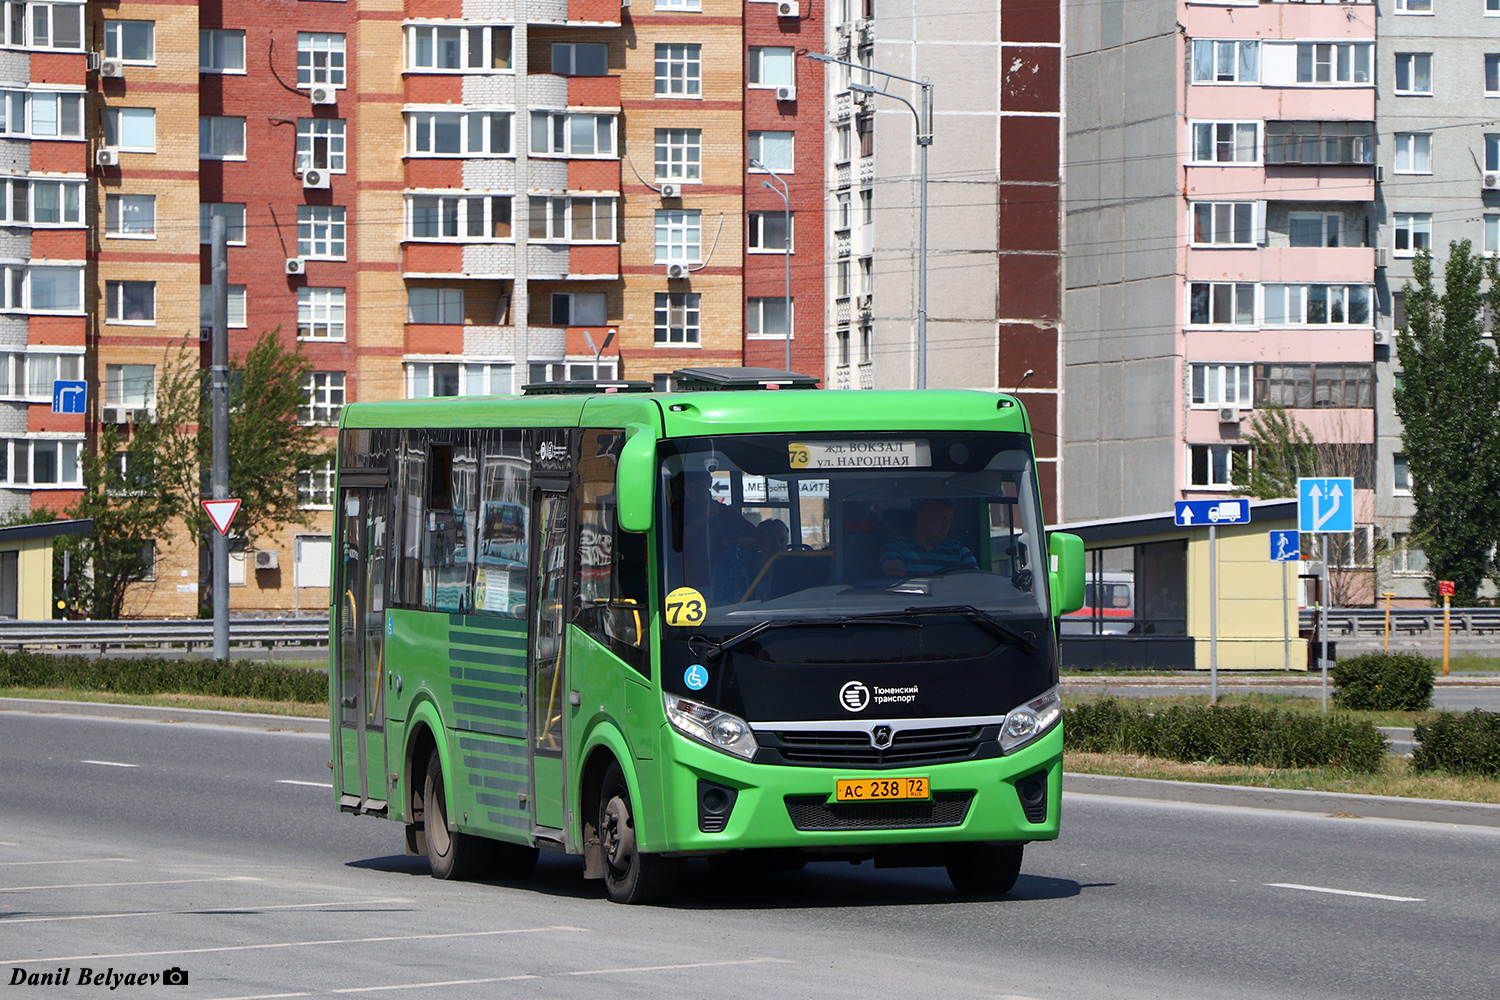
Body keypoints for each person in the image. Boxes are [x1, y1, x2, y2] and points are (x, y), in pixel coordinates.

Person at [673, 471, 757, 591]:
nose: (695, 492)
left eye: (700, 487)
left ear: (709, 483)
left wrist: (739, 543)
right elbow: (677, 541)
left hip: (725, 582)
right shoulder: (675, 513)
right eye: (690, 488)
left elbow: (760, 538)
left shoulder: (724, 513)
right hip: (685, 584)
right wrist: (704, 516)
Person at [880, 498, 978, 576]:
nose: (946, 527)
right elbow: (894, 575)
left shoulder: (960, 552)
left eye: (949, 521)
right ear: (921, 517)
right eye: (940, 520)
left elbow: (975, 582)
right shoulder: (895, 547)